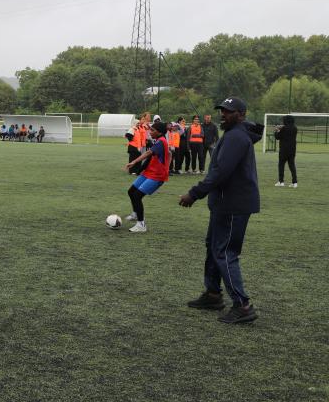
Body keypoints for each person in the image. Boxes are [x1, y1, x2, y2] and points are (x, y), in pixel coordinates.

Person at [179, 97, 262, 324]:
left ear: (241, 114)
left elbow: (220, 172)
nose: (223, 114)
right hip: (224, 204)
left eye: (229, 111)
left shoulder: (236, 137)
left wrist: (194, 193)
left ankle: (242, 305)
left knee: (225, 252)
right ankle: (213, 294)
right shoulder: (233, 134)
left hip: (233, 206)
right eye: (222, 110)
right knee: (213, 246)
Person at [124, 121, 170, 233]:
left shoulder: (161, 141)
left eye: (153, 130)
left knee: (137, 196)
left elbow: (148, 154)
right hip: (149, 172)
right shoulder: (158, 140)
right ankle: (136, 213)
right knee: (131, 191)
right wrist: (141, 169)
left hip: (157, 176)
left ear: (159, 132)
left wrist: (134, 162)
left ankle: (141, 225)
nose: (150, 131)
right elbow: (150, 158)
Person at [275, 115, 298, 187]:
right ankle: (295, 183)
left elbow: (277, 137)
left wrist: (277, 131)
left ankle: (281, 182)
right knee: (292, 166)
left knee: (281, 165)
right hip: (292, 150)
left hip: (283, 150)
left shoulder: (283, 128)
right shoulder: (295, 128)